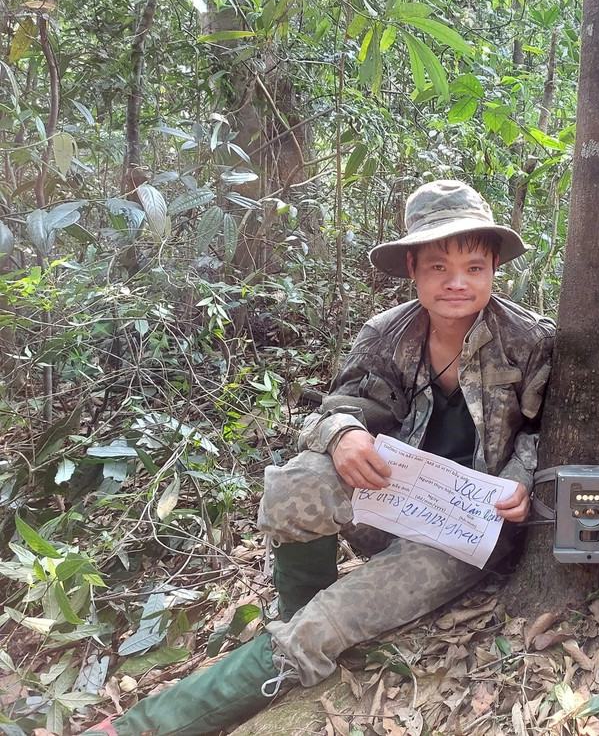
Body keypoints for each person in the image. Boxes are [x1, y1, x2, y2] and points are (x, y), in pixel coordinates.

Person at [85, 180, 555, 736]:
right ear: (412, 268)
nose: (457, 283)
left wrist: (520, 479)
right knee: (292, 489)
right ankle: (295, 613)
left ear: (495, 266)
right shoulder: (388, 333)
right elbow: (344, 404)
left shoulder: (528, 339)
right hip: (395, 500)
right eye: (437, 267)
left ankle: (138, 728)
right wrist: (345, 434)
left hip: (468, 529)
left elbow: (548, 432)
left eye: (474, 267)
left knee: (325, 628)